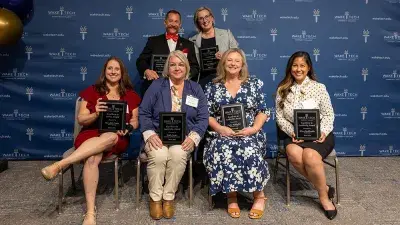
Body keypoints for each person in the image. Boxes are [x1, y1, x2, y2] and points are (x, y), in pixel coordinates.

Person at [40, 56, 141, 225]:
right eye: (110, 68)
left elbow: (135, 121)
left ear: (122, 73)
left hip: (117, 137)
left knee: (110, 136)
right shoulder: (92, 91)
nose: (113, 71)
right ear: (105, 71)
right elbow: (81, 119)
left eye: (117, 69)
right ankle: (90, 212)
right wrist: (96, 113)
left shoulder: (130, 94)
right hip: (90, 134)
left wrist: (129, 128)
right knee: (92, 157)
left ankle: (61, 164)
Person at [139, 50, 208, 220]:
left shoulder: (195, 88)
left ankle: (168, 197)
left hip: (183, 138)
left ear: (187, 67)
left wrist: (193, 137)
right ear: (167, 68)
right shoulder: (156, 86)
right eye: (173, 64)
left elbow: (203, 117)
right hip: (157, 135)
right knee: (160, 155)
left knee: (177, 155)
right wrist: (149, 134)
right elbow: (144, 112)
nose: (177, 68)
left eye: (181, 64)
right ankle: (155, 198)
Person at [203, 48, 270, 219]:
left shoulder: (253, 83)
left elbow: (263, 110)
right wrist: (219, 129)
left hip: (249, 132)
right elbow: (206, 114)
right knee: (223, 149)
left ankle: (259, 196)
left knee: (249, 149)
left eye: (237, 61)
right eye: (229, 60)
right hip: (222, 132)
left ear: (242, 65)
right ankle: (231, 196)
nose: (233, 64)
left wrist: (254, 129)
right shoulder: (212, 86)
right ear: (223, 63)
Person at [275, 51, 337, 220]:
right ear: (290, 68)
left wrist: (323, 132)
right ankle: (324, 188)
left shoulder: (319, 88)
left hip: (320, 134)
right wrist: (291, 132)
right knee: (294, 154)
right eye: (295, 65)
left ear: (309, 68)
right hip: (295, 134)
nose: (298, 69)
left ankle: (323, 198)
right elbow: (280, 118)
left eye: (302, 65)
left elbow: (329, 114)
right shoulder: (283, 89)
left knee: (310, 156)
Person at [136, 9, 199, 96]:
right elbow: (141, 61)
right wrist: (146, 71)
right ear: (165, 22)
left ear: (180, 25)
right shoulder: (153, 41)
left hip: (181, 89)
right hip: (157, 88)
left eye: (176, 22)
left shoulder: (188, 44)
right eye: (170, 21)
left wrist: (185, 75)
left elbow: (195, 67)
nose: (173, 24)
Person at [189, 7, 238, 88]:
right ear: (197, 22)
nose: (205, 21)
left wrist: (226, 56)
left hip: (225, 80)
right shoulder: (192, 40)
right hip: (202, 82)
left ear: (212, 18)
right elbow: (192, 65)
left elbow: (238, 56)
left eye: (206, 17)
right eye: (201, 18)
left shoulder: (226, 34)